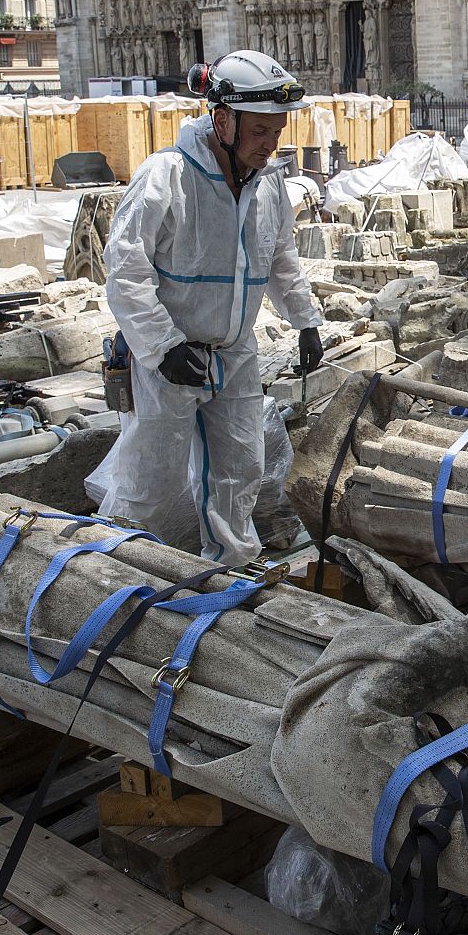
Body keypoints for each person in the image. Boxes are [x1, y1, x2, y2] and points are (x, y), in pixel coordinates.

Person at [87, 49, 325, 559]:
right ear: (222, 121)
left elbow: (280, 256)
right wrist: (163, 346)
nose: (270, 144)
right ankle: (121, 569)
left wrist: (305, 320)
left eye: (276, 131)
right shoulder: (167, 176)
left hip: (235, 353)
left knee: (240, 471)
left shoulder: (269, 184)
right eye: (259, 131)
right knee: (151, 480)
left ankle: (230, 570)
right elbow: (126, 269)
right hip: (169, 360)